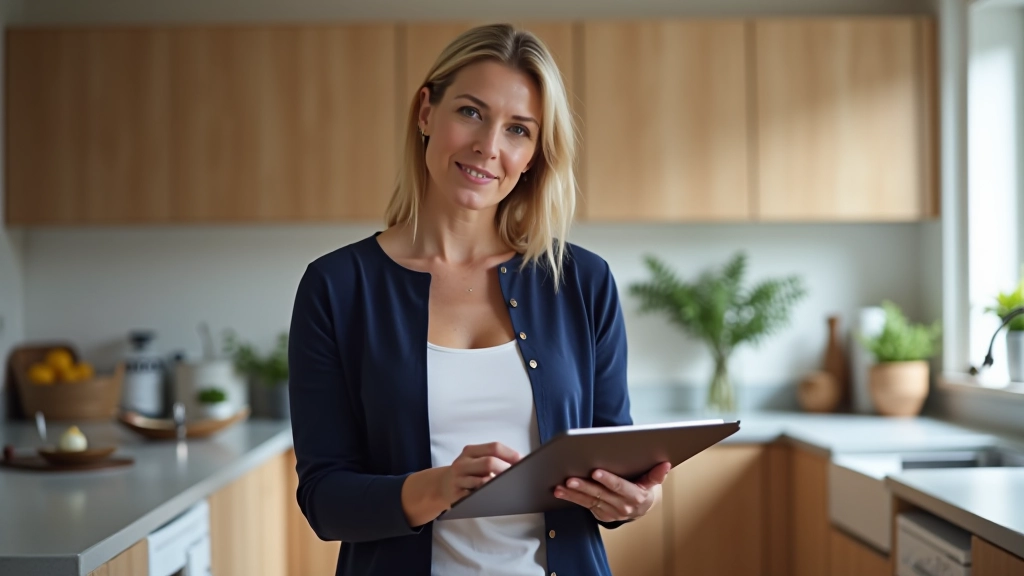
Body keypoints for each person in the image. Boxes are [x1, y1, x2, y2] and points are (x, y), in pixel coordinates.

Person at [287, 23, 670, 576]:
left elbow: (612, 462)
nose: (488, 147)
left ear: (536, 153)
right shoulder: (336, 287)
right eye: (470, 112)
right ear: (426, 113)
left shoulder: (582, 281)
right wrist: (438, 487)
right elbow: (325, 500)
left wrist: (633, 502)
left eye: (518, 129)